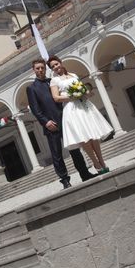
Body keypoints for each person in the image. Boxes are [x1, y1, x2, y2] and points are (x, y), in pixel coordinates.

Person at [26, 59, 97, 189]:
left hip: (65, 119)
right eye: (38, 68)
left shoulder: (53, 81)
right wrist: (46, 122)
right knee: (57, 154)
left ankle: (84, 173)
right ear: (34, 70)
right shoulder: (31, 88)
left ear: (45, 69)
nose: (40, 70)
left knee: (74, 149)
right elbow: (35, 109)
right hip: (51, 124)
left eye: (42, 68)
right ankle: (64, 180)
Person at [47, 55, 113, 174]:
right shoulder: (54, 81)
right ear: (52, 69)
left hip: (84, 105)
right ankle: (95, 163)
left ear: (60, 63)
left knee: (94, 135)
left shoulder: (74, 75)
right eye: (53, 67)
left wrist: (85, 92)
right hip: (72, 109)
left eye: (56, 64)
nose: (56, 67)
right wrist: (71, 97)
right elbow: (56, 97)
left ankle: (102, 161)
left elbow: (81, 88)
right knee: (84, 137)